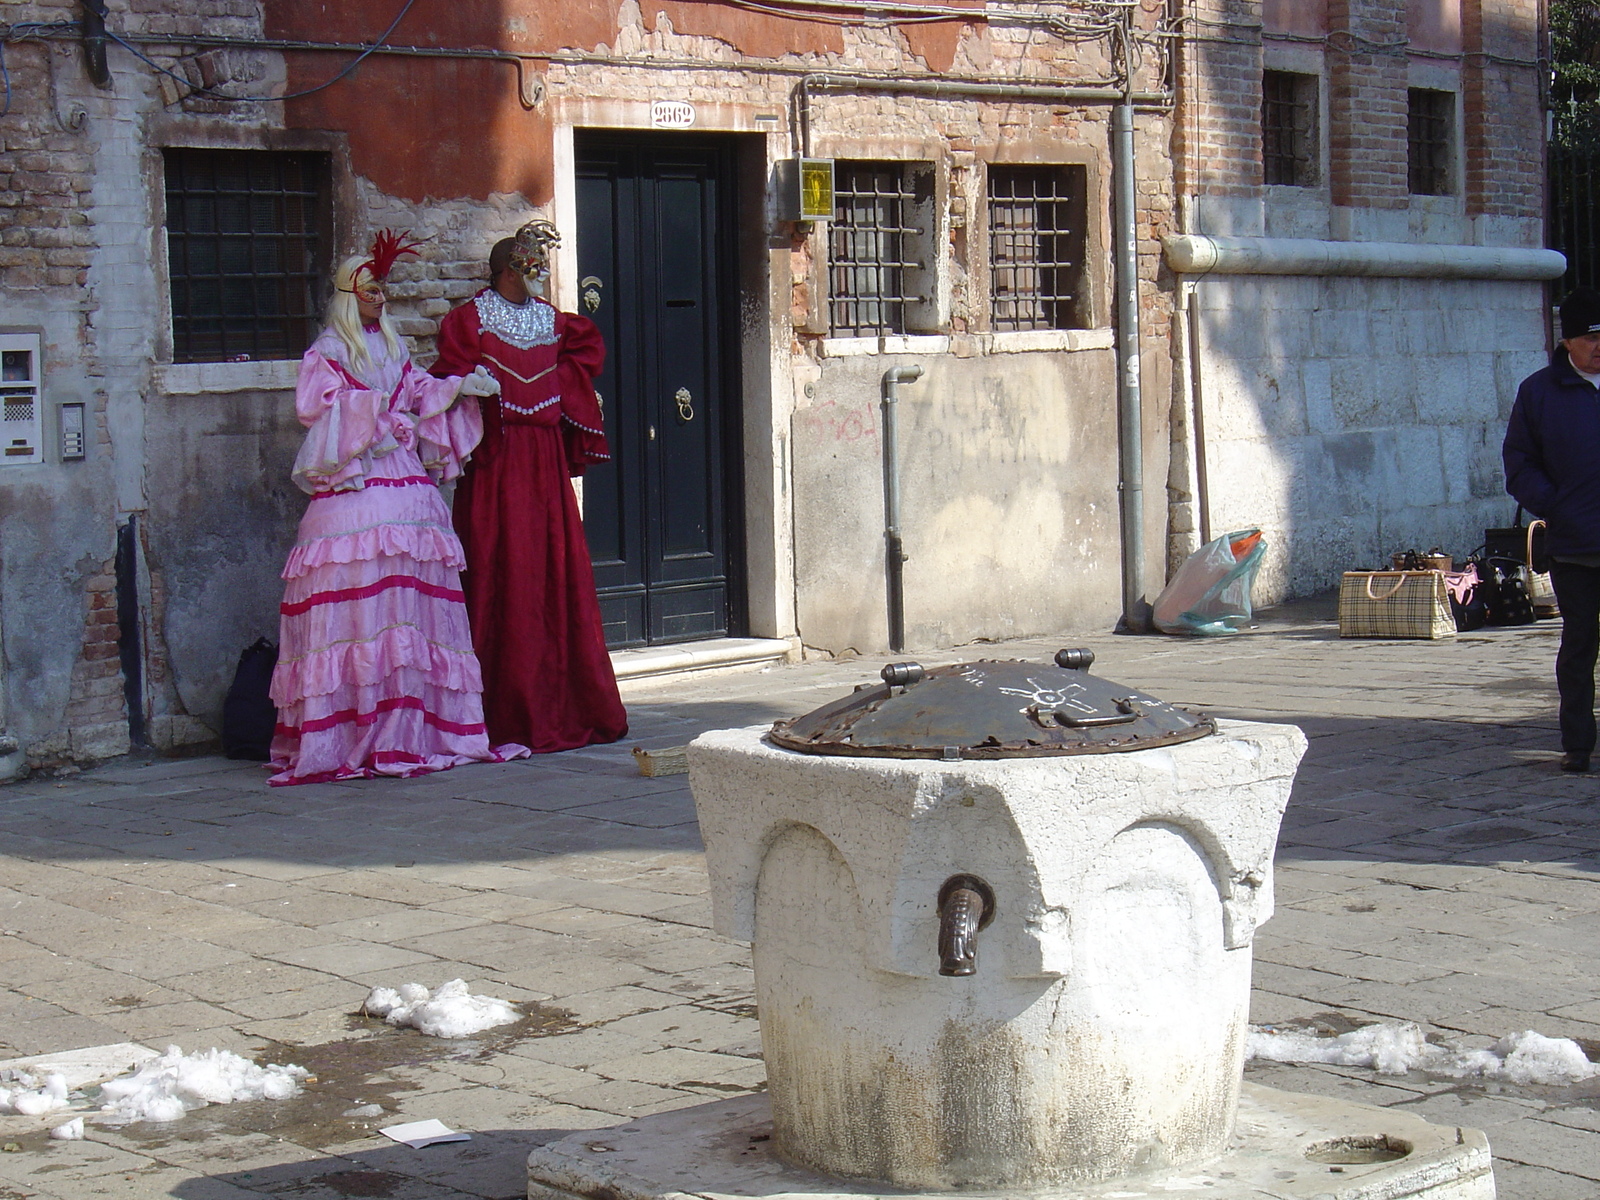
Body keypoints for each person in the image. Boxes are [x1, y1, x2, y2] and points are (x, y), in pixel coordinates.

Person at [269, 231, 526, 785]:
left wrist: (458, 387)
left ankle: (413, 725)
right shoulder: (327, 352)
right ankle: (351, 727)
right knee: (359, 605)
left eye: (383, 289)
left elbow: (415, 390)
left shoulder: (393, 345)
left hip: (405, 484)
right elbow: (320, 407)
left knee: (407, 604)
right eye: (370, 289)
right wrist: (377, 414)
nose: (380, 297)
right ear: (349, 295)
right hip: (356, 482)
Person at [430, 220, 627, 752]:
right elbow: (447, 376)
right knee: (500, 569)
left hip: (542, 466)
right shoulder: (468, 321)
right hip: (495, 464)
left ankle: (564, 699)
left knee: (551, 571)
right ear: (508, 270)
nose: (541, 272)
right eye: (532, 264)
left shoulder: (557, 323)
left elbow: (583, 362)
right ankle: (499, 707)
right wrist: (470, 388)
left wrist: (550, 393)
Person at [1503, 286, 1600, 773]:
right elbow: (1519, 464)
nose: (1598, 346)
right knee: (1579, 643)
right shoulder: (1540, 392)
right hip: (1575, 544)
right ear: (1568, 342)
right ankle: (1578, 743)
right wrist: (1556, 506)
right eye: (1589, 337)